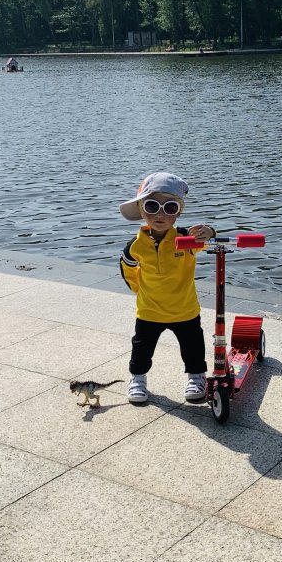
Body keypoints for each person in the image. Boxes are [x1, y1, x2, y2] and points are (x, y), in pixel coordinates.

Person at [119, 171, 215, 405]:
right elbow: (127, 266)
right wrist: (138, 289)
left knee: (192, 345)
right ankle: (138, 379)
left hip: (184, 309)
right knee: (141, 347)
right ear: (142, 210)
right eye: (152, 206)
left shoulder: (186, 239)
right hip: (149, 310)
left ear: (178, 213)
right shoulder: (135, 245)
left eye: (169, 208)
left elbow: (208, 240)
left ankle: (196, 376)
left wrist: (210, 231)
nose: (160, 214)